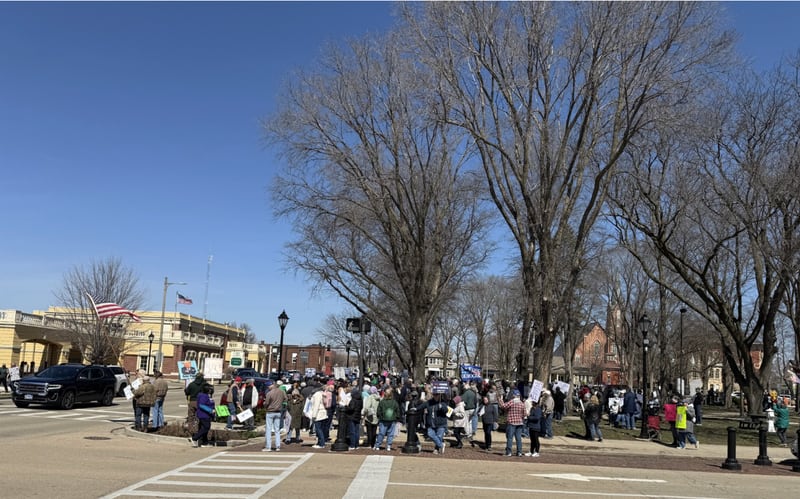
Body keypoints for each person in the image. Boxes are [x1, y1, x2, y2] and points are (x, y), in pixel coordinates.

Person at [262, 379, 287, 452]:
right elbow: (286, 399)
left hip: (270, 412)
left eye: (268, 386)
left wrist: (265, 405)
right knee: (277, 430)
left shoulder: (269, 393)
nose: (268, 387)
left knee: (269, 429)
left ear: (271, 385)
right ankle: (278, 446)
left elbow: (266, 403)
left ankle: (268, 446)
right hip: (278, 412)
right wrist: (280, 403)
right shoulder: (281, 392)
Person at [373, 386, 400, 451]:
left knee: (381, 433)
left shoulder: (382, 402)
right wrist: (397, 418)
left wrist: (379, 417)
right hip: (392, 420)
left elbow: (378, 411)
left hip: (383, 420)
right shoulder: (394, 402)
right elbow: (397, 411)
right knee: (390, 434)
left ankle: (377, 445)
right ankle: (388, 446)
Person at [502, 389, 525, 457]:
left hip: (511, 422)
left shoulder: (511, 402)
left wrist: (500, 399)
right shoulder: (522, 403)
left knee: (510, 438)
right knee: (518, 438)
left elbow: (503, 406)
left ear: (514, 395)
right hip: (519, 422)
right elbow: (525, 414)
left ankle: (509, 452)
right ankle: (519, 452)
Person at [309, 382, 332, 449]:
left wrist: (314, 415)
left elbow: (316, 405)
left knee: (318, 429)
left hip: (319, 413)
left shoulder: (317, 395)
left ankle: (321, 443)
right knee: (321, 429)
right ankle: (320, 442)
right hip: (324, 412)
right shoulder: (322, 393)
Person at [345, 386, 363, 450]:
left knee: (352, 432)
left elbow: (351, 408)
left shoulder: (353, 400)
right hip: (358, 416)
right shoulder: (360, 400)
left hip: (352, 416)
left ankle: (352, 445)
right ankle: (356, 445)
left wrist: (346, 407)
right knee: (357, 432)